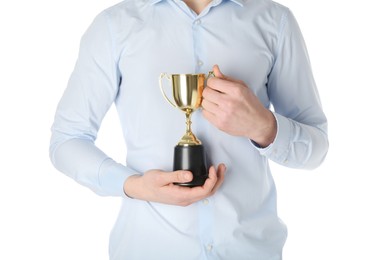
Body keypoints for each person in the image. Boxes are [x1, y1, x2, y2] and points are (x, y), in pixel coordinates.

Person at [50, 0, 328, 259]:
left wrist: (263, 126)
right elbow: (67, 139)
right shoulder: (115, 26)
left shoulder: (274, 20)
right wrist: (134, 186)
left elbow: (316, 149)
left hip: (249, 250)